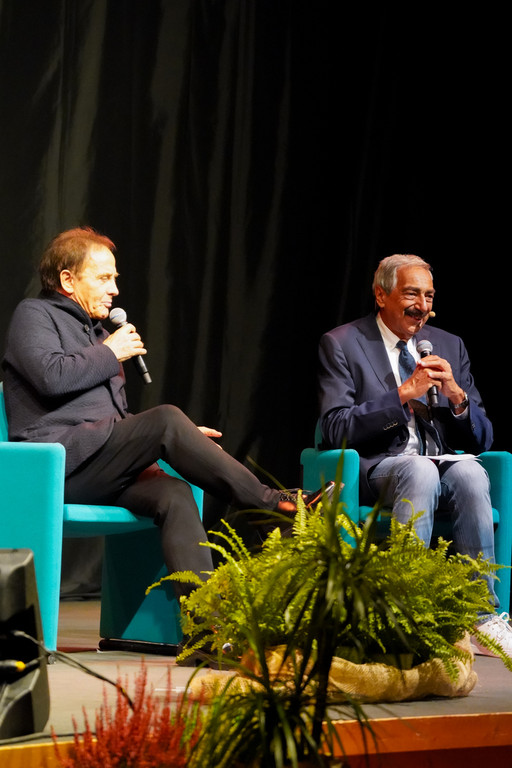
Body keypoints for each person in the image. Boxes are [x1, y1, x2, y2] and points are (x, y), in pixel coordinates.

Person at [1, 226, 320, 654]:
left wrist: (185, 439)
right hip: (57, 468)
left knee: (174, 493)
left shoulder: (97, 335)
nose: (115, 289)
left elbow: (109, 420)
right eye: (104, 278)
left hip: (98, 462)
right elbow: (51, 377)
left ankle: (207, 632)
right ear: (67, 280)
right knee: (167, 418)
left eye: (115, 278)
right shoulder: (35, 314)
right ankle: (270, 504)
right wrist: (114, 356)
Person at [317, 252, 512, 658]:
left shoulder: (449, 345)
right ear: (380, 295)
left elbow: (483, 438)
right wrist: (403, 394)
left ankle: (480, 617)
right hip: (377, 469)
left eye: (429, 296)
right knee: (419, 471)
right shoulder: (343, 343)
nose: (422, 306)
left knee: (472, 473)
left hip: (441, 464)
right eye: (411, 294)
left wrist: (456, 396)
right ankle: (404, 613)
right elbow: (335, 427)